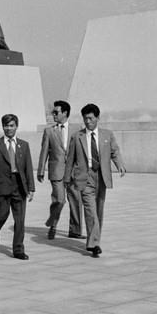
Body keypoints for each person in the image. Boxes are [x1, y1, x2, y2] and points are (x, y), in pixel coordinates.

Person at [63, 104, 126, 258]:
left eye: (91, 118)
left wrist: (120, 165)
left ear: (98, 118)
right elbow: (70, 159)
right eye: (85, 118)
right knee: (90, 211)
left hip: (102, 176)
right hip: (85, 178)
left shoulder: (107, 135)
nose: (88, 121)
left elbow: (114, 151)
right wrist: (66, 178)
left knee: (98, 211)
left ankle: (93, 239)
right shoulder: (77, 137)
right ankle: (94, 244)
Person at [0, 114, 35, 260]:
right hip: (1, 186)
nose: (9, 128)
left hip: (19, 186)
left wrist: (31, 188)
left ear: (16, 126)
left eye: (12, 125)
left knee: (19, 220)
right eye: (6, 125)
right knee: (1, 216)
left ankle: (18, 249)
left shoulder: (24, 145)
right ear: (3, 127)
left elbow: (28, 167)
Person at [37, 101, 83, 240]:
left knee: (76, 200)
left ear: (65, 113)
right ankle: (53, 225)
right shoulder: (49, 131)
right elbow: (44, 151)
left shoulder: (77, 129)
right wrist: (40, 170)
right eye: (53, 112)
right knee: (60, 200)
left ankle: (75, 230)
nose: (54, 115)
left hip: (73, 171)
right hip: (56, 171)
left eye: (56, 112)